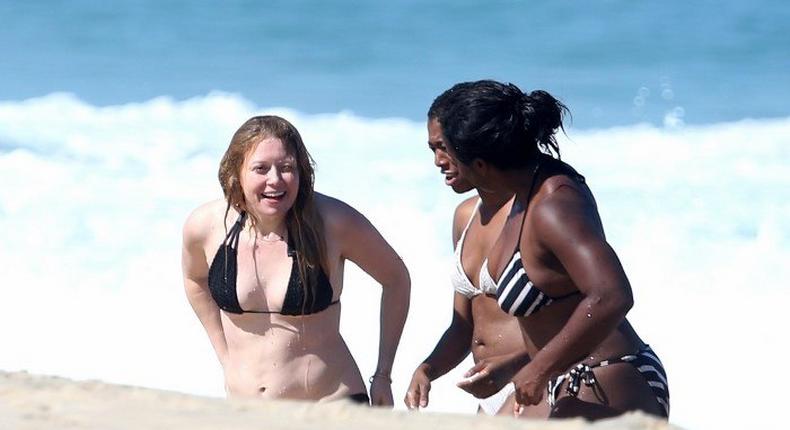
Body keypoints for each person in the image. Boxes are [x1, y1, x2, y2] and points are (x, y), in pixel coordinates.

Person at [435, 80, 669, 419]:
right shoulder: (523, 195)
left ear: (481, 165)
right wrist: (516, 365)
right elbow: (561, 311)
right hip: (561, 377)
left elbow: (612, 295)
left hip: (609, 376)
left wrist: (539, 368)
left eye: (451, 155)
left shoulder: (554, 204)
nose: (444, 163)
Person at [182, 115, 410, 406]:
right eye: (261, 169)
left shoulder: (335, 222)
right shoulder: (206, 226)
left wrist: (383, 375)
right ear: (236, 173)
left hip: (331, 404)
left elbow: (396, 278)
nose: (275, 180)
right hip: (246, 410)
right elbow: (194, 279)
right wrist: (223, 352)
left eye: (287, 168)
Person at [403, 90, 548, 417]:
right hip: (489, 392)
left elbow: (582, 318)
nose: (438, 161)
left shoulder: (535, 214)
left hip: (535, 382)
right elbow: (462, 326)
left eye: (443, 147)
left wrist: (514, 366)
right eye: (432, 149)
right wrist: (428, 369)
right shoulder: (465, 217)